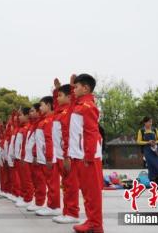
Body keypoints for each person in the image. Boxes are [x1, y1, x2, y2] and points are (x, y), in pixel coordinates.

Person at [68, 74, 103, 233]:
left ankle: (96, 225)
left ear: (86, 88)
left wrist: (88, 156)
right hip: (80, 155)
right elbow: (70, 107)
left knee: (92, 193)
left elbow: (91, 132)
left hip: (87, 157)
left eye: (76, 87)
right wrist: (70, 85)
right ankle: (91, 222)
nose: (73, 90)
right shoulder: (80, 104)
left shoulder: (88, 106)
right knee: (86, 192)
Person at [51, 77, 81, 224]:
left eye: (60, 95)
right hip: (59, 154)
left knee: (71, 184)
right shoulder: (59, 111)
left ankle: (73, 212)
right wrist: (57, 89)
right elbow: (56, 104)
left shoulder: (69, 111)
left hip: (67, 155)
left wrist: (71, 86)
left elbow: (68, 136)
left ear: (69, 97)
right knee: (66, 184)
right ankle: (66, 211)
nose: (57, 98)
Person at [34, 96, 61, 217]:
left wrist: (49, 157)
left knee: (52, 183)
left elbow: (49, 140)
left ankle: (54, 206)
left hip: (49, 158)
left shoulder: (50, 120)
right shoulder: (44, 120)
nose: (40, 108)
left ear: (49, 105)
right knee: (49, 182)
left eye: (41, 105)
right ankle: (50, 204)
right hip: (44, 157)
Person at [137, 116, 158, 185]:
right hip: (147, 150)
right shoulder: (141, 131)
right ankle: (153, 181)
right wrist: (148, 142)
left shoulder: (154, 129)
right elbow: (138, 141)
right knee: (151, 165)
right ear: (145, 123)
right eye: (149, 122)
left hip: (155, 150)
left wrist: (155, 142)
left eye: (151, 122)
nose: (150, 123)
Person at [14, 107, 35, 207]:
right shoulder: (21, 128)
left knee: (27, 180)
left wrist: (23, 156)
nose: (18, 117)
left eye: (21, 115)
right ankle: (23, 196)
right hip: (21, 157)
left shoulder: (28, 127)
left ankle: (28, 199)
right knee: (23, 178)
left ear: (27, 116)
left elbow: (25, 145)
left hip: (26, 157)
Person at [23, 104, 42, 211]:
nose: (30, 113)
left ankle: (39, 202)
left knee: (39, 181)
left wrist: (35, 154)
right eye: (29, 111)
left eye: (32, 111)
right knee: (33, 180)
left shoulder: (39, 123)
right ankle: (36, 200)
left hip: (39, 157)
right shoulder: (33, 125)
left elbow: (38, 141)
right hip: (31, 157)